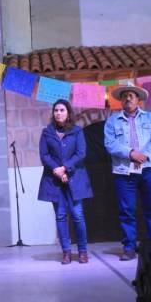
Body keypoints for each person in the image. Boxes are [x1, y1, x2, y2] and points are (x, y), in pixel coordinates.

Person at [104, 83, 151, 261]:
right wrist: (131, 154)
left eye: (131, 95)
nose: (128, 98)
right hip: (124, 172)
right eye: (124, 96)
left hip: (147, 169)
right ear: (121, 101)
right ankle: (129, 247)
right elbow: (110, 144)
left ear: (138, 100)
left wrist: (144, 156)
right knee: (127, 210)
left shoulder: (150, 118)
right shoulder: (112, 121)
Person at [39, 100, 94, 264]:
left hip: (74, 178)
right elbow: (44, 155)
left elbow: (81, 153)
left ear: (68, 113)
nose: (58, 113)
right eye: (56, 110)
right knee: (61, 216)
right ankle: (66, 252)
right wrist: (57, 170)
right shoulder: (47, 132)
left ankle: (82, 251)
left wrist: (65, 168)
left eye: (62, 110)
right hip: (54, 180)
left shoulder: (77, 131)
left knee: (77, 215)